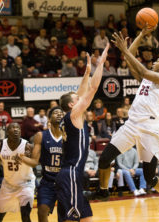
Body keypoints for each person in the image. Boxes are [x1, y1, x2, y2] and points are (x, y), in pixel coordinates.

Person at [96, 28, 159, 216]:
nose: (155, 61)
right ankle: (103, 191)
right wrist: (140, 35)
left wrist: (124, 49)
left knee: (149, 177)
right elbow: (129, 57)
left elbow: (142, 69)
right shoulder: (146, 78)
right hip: (131, 125)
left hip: (150, 128)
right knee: (105, 159)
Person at [56, 44, 109, 222]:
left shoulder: (68, 115)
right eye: (77, 100)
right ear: (72, 105)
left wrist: (86, 73)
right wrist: (99, 64)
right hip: (70, 172)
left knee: (85, 217)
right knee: (72, 219)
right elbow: (92, 89)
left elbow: (80, 92)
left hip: (71, 174)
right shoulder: (74, 114)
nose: (80, 98)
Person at [0, 123, 38, 222]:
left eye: (18, 128)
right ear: (7, 132)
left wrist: (26, 157)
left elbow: (35, 162)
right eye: (13, 128)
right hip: (8, 185)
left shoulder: (28, 146)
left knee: (25, 216)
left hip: (26, 184)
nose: (16, 129)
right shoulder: (0, 146)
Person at [36, 107, 64, 222]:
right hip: (47, 181)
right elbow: (34, 160)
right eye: (55, 113)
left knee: (64, 216)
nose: (58, 115)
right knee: (42, 211)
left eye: (61, 113)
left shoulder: (69, 136)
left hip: (64, 182)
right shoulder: (42, 135)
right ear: (49, 118)